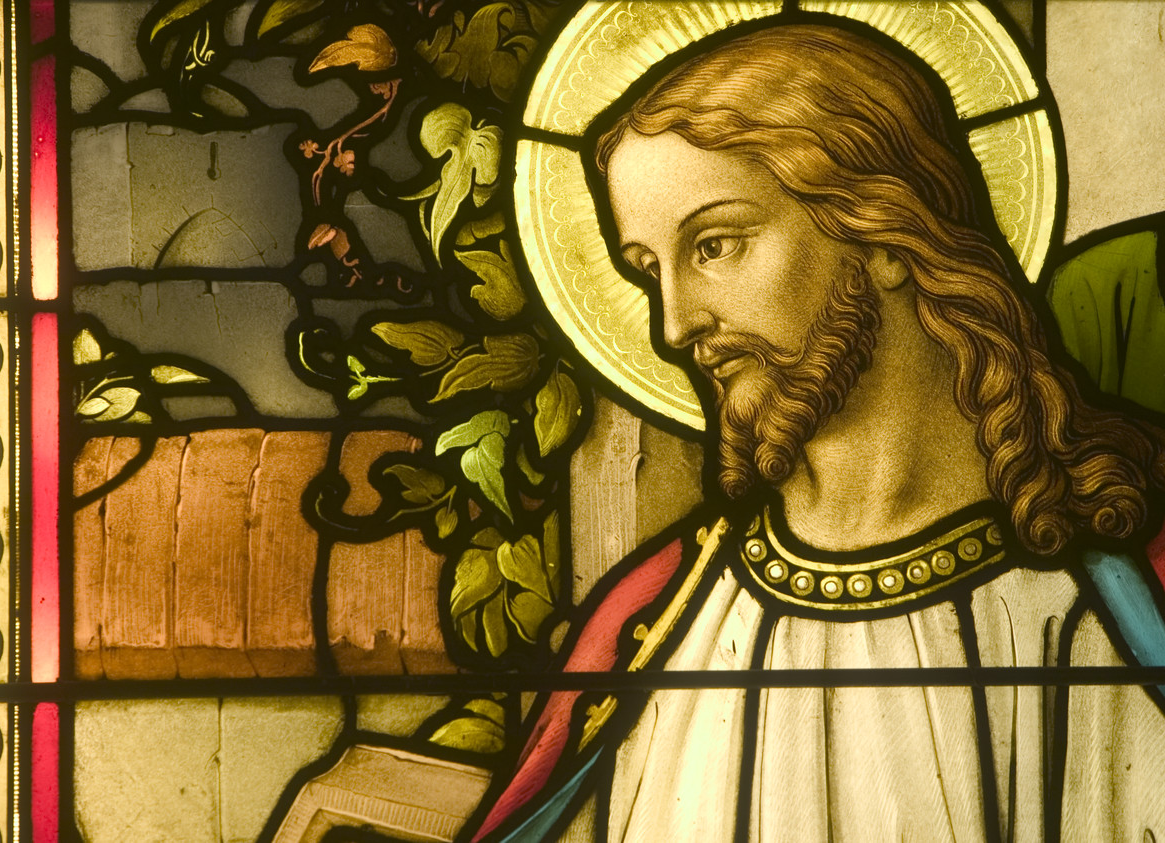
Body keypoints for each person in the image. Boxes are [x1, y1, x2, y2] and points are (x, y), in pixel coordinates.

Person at [463, 24, 1165, 843]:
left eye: (714, 244)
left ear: (885, 234)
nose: (676, 325)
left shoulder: (1114, 606)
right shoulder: (655, 621)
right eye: (650, 269)